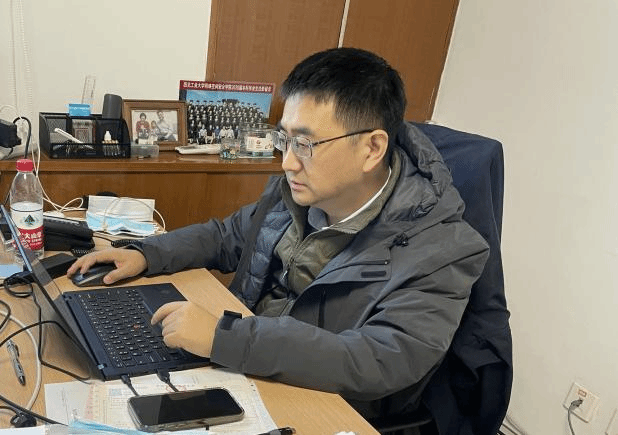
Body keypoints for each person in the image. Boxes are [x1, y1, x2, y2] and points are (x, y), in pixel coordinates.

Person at [67, 47, 489, 425]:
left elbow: (377, 360)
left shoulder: (443, 249)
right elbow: (227, 235)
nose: (287, 161)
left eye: (305, 143)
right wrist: (145, 253)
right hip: (244, 361)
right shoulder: (299, 192)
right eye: (284, 138)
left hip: (318, 399)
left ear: (372, 149)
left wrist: (225, 338)